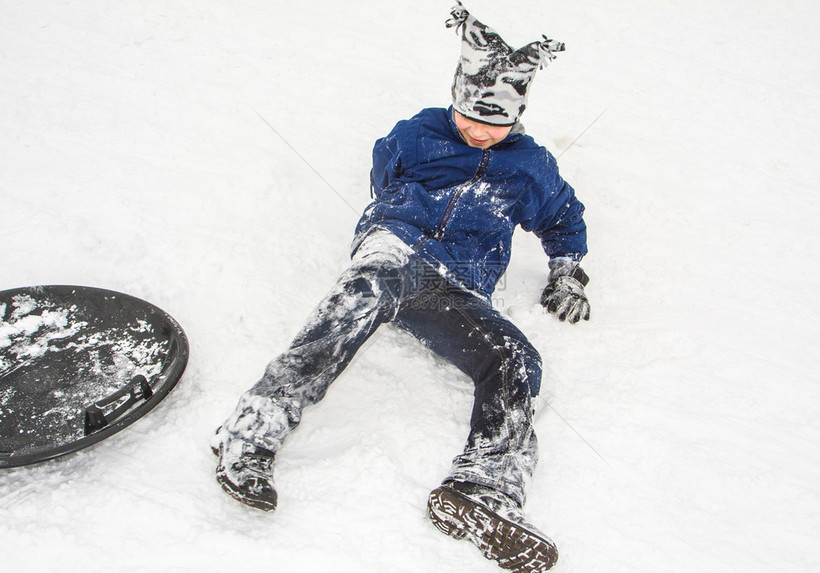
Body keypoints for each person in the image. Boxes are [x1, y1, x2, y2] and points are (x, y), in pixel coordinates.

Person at [212, 3, 589, 571]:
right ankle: (253, 430)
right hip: (398, 247)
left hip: (456, 287)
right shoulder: (417, 134)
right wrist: (395, 217)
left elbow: (563, 218)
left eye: (494, 125)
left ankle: (483, 488)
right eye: (468, 120)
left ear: (516, 120)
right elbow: (383, 173)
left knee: (515, 356)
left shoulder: (530, 167)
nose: (479, 133)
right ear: (454, 100)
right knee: (366, 289)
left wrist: (567, 270)